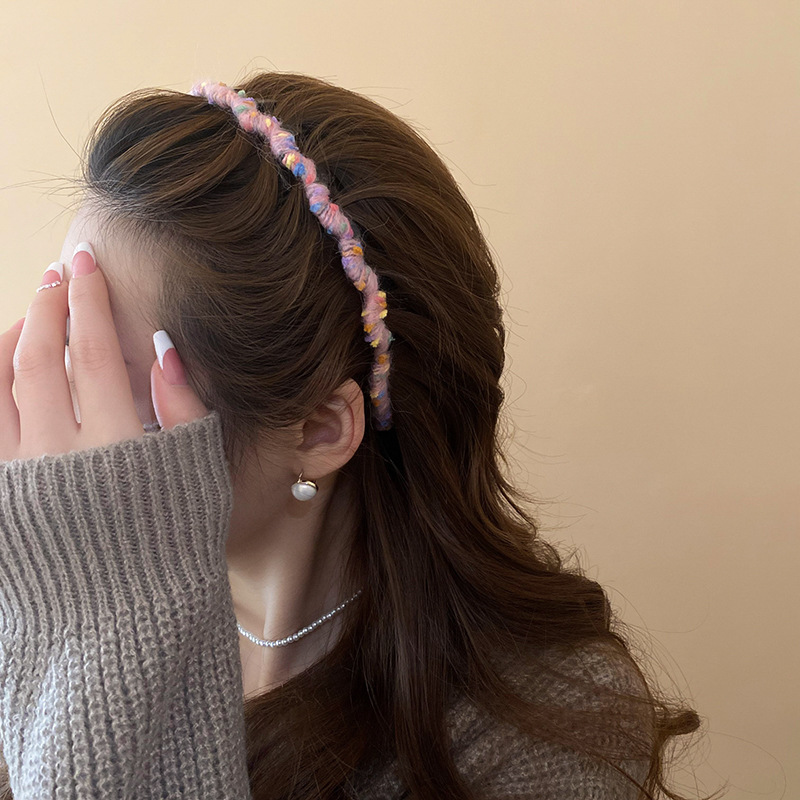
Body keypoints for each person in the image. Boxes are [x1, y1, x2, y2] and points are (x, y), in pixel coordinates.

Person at [0, 71, 712, 799]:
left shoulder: (539, 730)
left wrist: (107, 631)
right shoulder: (34, 599)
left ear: (318, 431)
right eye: (63, 329)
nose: (48, 408)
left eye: (105, 371)